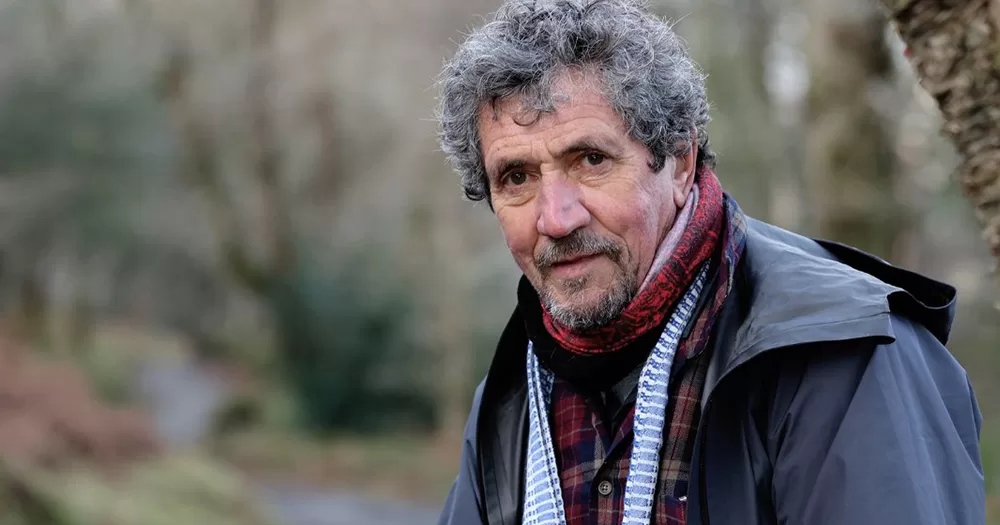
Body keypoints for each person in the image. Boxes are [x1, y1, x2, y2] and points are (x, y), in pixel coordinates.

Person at [433, 1, 985, 524]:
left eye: (591, 160)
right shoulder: (512, 395)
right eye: (517, 178)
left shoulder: (845, 354)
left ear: (679, 162)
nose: (555, 218)